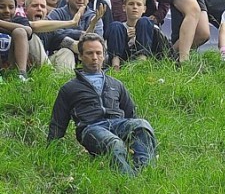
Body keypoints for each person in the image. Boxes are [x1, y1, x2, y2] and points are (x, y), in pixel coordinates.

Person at [47, 33, 155, 176]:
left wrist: (136, 129)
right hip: (91, 128)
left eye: (99, 53)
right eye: (89, 53)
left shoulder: (116, 84)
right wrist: (50, 151)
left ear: (104, 55)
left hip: (117, 123)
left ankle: (145, 174)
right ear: (80, 56)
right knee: (114, 144)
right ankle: (130, 182)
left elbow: (131, 115)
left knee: (142, 124)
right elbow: (58, 123)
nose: (95, 57)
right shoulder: (69, 88)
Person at [105, 0, 167, 67]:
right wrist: (125, 37)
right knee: (115, 25)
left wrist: (139, 34)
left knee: (144, 21)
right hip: (123, 59)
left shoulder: (151, 26)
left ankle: (142, 63)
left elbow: (163, 48)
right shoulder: (120, 28)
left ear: (144, 9)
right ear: (124, 8)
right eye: (131, 4)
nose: (135, 7)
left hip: (149, 58)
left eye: (139, 4)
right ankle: (115, 66)